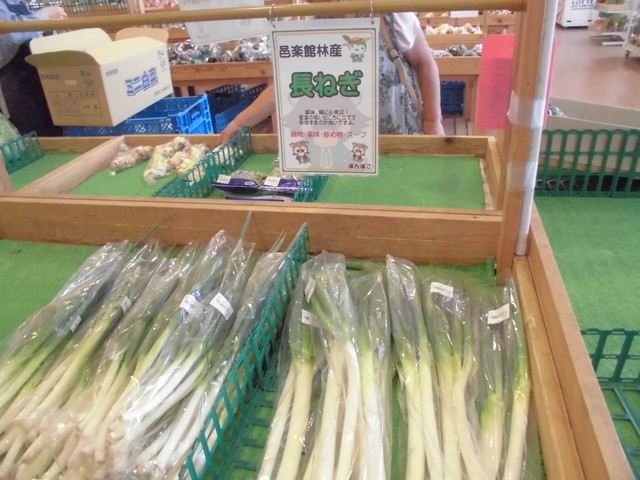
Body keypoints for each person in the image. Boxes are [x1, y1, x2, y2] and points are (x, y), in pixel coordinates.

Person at [219, 9, 444, 144]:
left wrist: (432, 122)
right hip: (347, 145)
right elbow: (291, 85)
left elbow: (425, 64)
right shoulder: (317, 26)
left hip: (401, 136)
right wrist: (239, 123)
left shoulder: (390, 15)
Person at [0, 0, 67, 136]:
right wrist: (44, 16)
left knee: (53, 124)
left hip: (36, 74)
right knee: (33, 128)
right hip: (14, 78)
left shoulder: (16, 3)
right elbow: (10, 35)